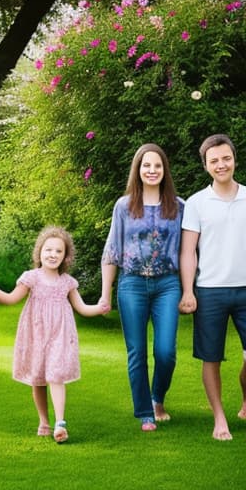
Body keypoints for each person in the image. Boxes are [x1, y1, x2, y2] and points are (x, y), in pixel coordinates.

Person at [0, 226, 109, 443]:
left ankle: (60, 423)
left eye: (58, 251)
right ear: (39, 252)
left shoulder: (67, 282)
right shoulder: (31, 278)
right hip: (36, 334)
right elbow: (9, 299)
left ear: (66, 256)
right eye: (48, 249)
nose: (52, 254)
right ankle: (44, 422)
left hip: (59, 334)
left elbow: (82, 308)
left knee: (56, 374)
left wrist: (99, 307)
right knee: (38, 378)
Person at [100, 143, 184, 432]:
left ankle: (158, 397)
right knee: (136, 351)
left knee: (165, 351)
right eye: (146, 165)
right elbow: (112, 251)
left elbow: (189, 251)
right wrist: (104, 293)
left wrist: (189, 290)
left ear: (164, 170)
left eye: (157, 166)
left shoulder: (179, 206)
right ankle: (145, 413)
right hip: (132, 284)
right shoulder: (124, 206)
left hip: (168, 284)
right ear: (137, 169)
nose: (152, 170)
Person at [179, 133, 246, 441]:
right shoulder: (196, 203)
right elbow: (188, 251)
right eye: (214, 160)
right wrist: (189, 290)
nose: (222, 165)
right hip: (209, 291)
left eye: (226, 158)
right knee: (211, 357)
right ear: (206, 166)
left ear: (235, 159)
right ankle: (219, 418)